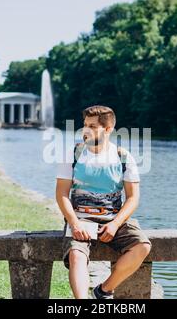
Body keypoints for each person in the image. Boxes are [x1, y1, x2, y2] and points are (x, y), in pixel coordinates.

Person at [56, 105, 151, 299]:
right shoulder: (73, 154)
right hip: (81, 220)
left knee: (143, 246)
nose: (85, 130)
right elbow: (61, 194)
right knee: (76, 254)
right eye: (84, 125)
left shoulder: (123, 157)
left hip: (114, 219)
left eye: (92, 126)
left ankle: (104, 290)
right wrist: (74, 224)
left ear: (107, 130)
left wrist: (115, 224)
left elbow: (133, 198)